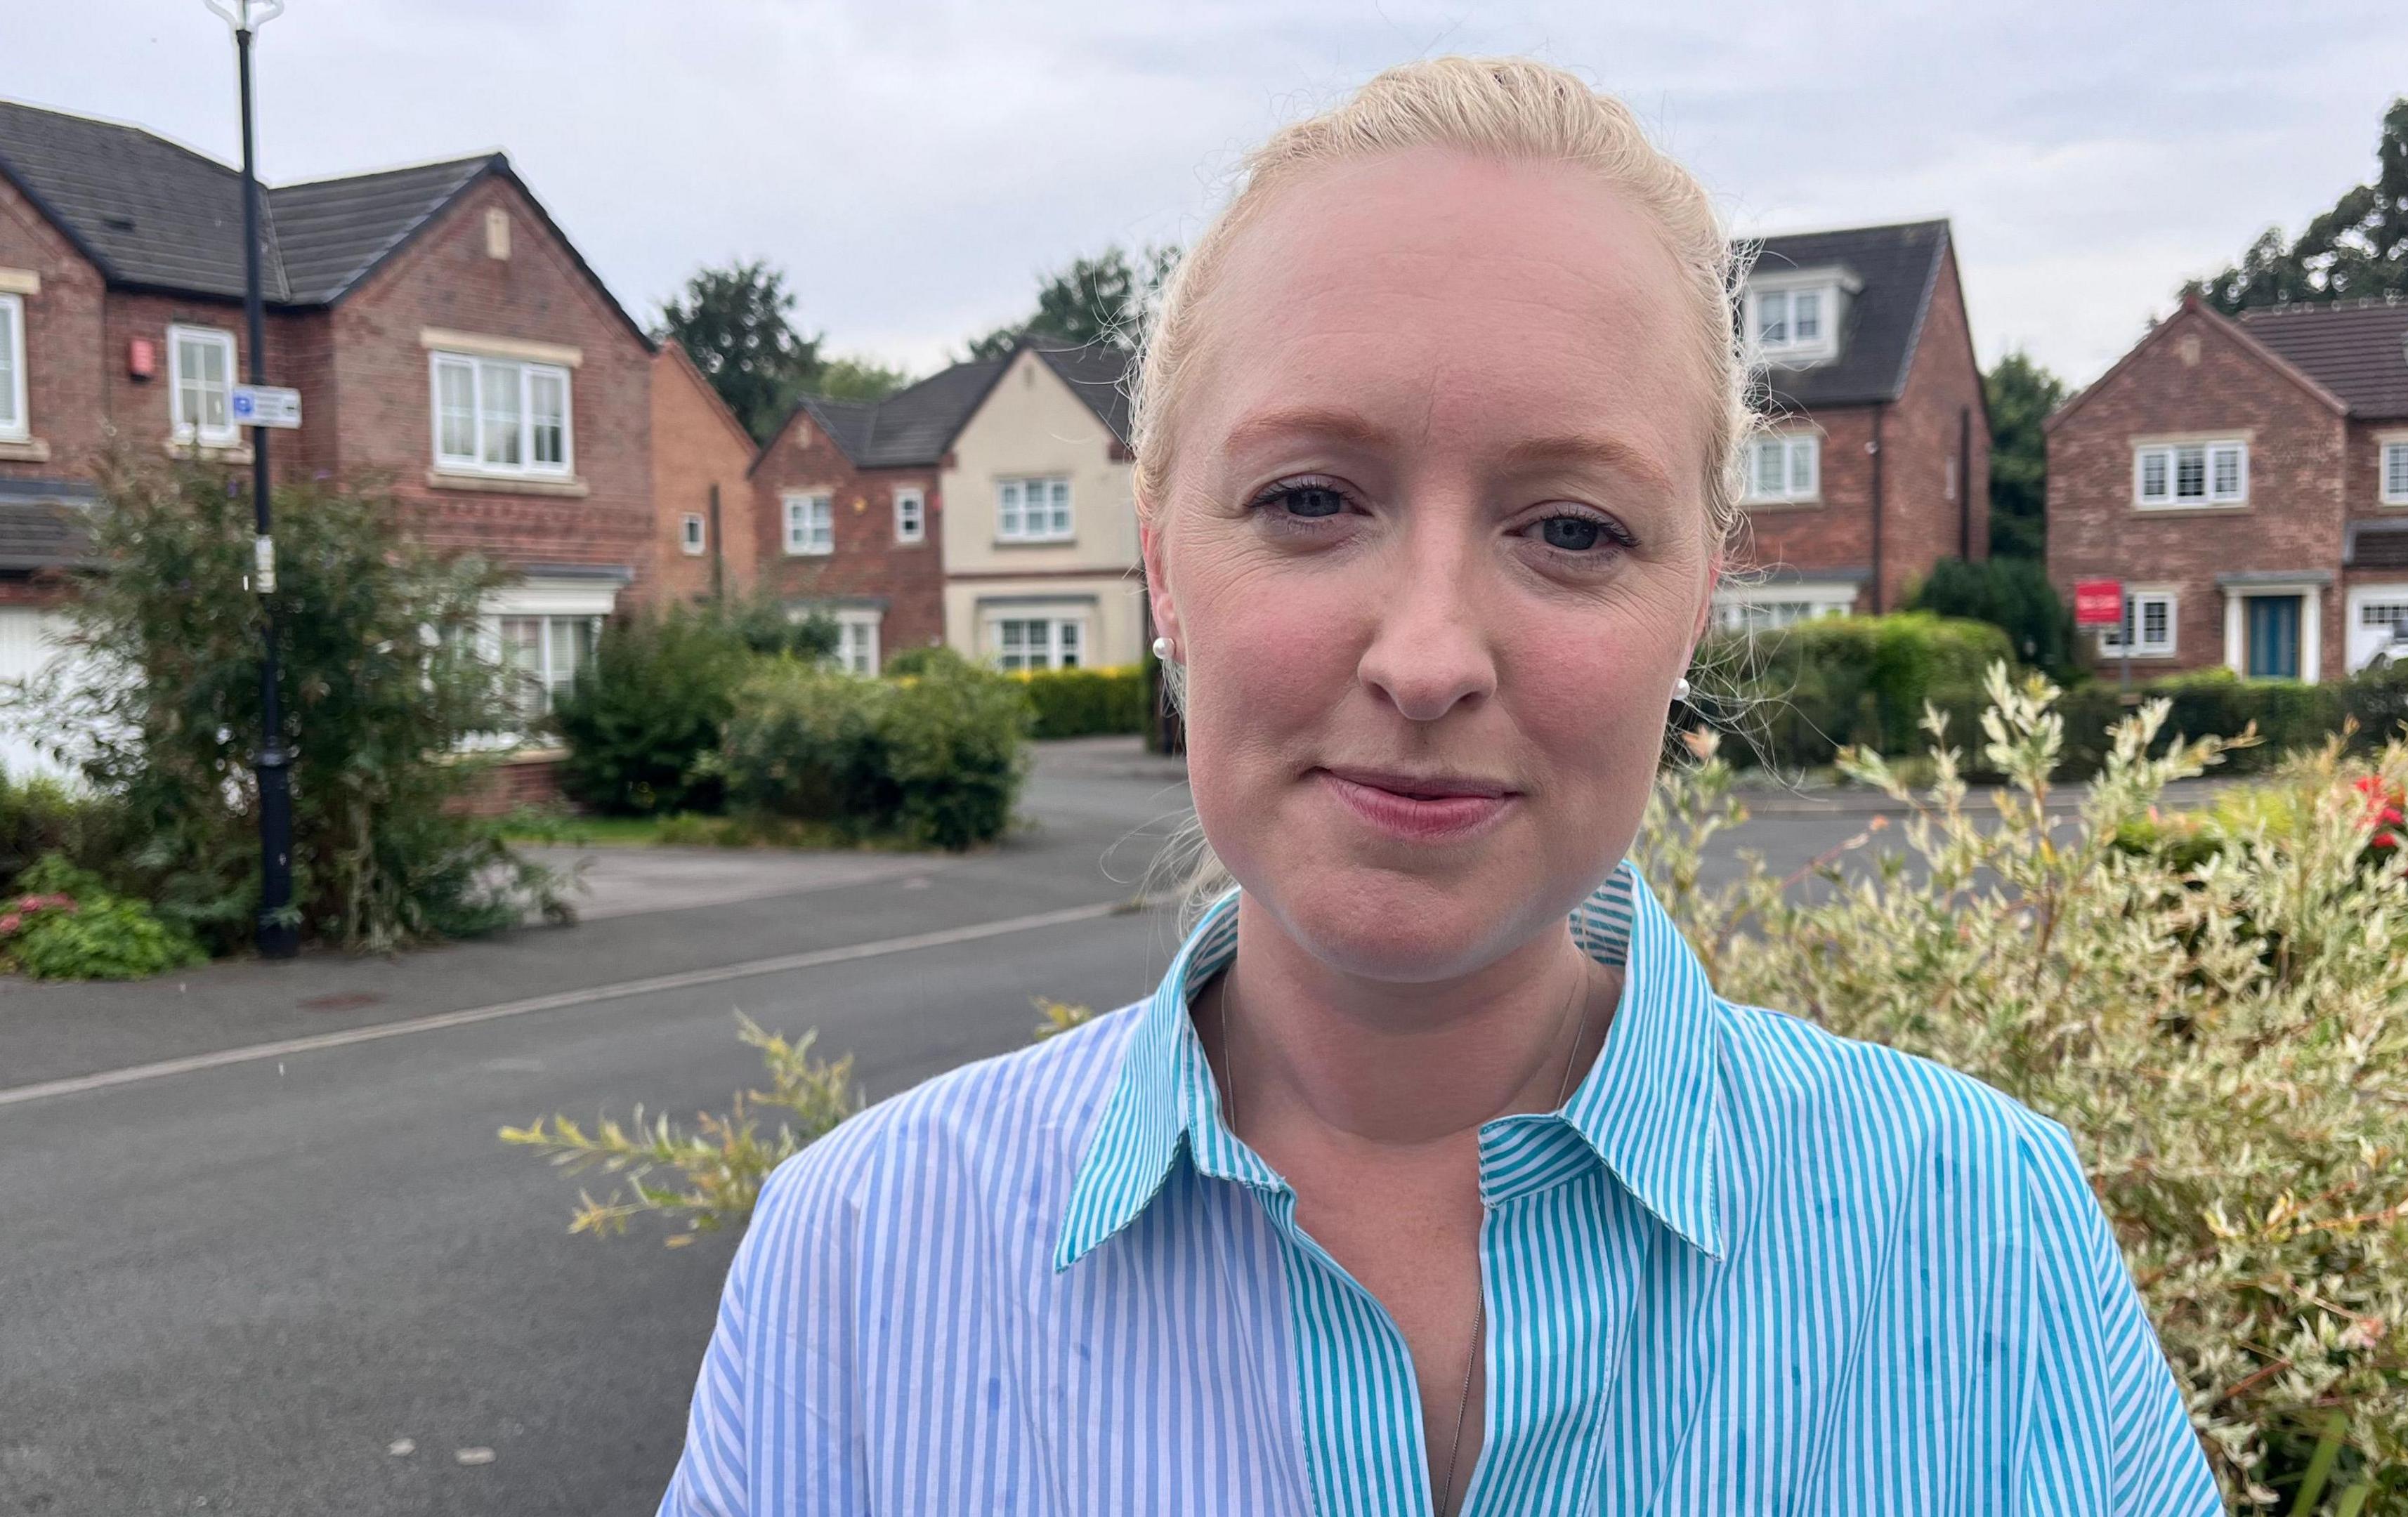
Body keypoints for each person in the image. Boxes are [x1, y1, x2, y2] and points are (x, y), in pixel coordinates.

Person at [657, 56, 2224, 1517]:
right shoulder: (857, 1267)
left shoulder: (1978, 1237)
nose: (1424, 658)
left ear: (1694, 608)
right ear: (1161, 572)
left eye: (1572, 529)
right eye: (1311, 498)